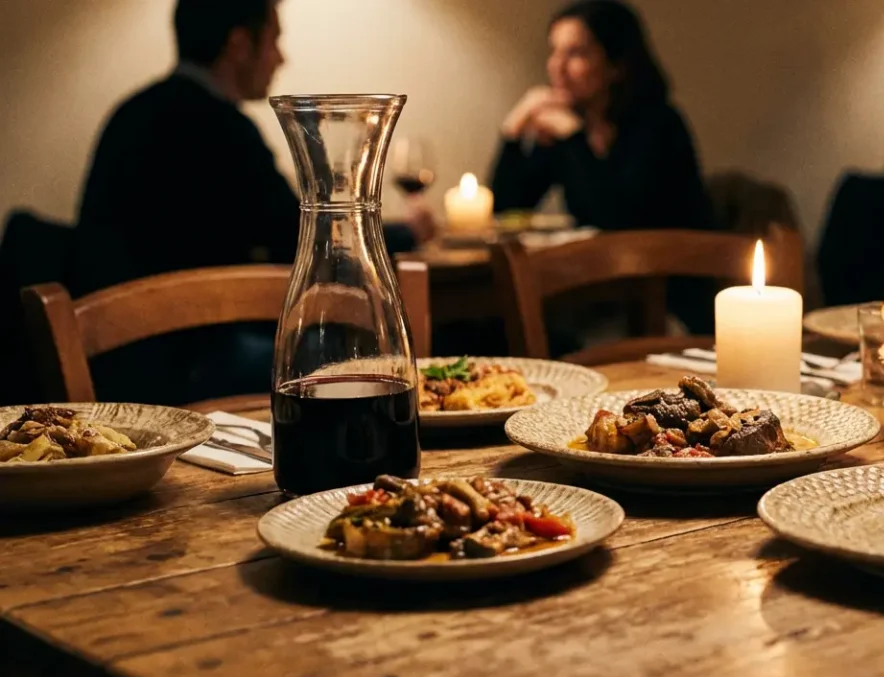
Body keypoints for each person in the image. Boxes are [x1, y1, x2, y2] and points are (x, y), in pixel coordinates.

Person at [69, 0, 435, 404]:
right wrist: (402, 233)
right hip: (191, 367)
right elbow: (305, 243)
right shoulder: (223, 130)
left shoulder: (129, 114)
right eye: (274, 40)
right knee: (342, 354)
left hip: (115, 367)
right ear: (240, 44)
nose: (281, 56)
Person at [489, 0, 715, 334]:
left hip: (666, 299)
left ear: (616, 65)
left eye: (576, 54)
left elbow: (618, 219)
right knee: (489, 325)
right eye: (555, 52)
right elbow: (505, 205)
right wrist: (512, 131)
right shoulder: (567, 129)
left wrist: (574, 138)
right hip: (597, 295)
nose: (557, 67)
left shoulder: (659, 125)